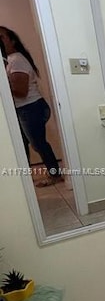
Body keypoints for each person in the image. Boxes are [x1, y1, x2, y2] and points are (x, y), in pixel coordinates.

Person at [0, 26, 60, 186]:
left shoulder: (16, 59)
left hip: (30, 108)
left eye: (2, 36)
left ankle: (55, 175)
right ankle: (25, 179)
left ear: (12, 40)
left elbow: (20, 91)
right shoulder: (9, 60)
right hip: (26, 109)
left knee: (38, 144)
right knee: (24, 144)